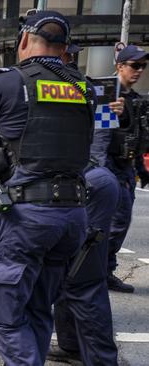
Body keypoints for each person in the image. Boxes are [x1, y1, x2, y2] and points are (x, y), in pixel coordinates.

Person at [0, 10, 95, 364]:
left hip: (27, 216)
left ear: (25, 40)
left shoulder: (5, 83)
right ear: (64, 48)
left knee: (3, 312)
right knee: (38, 307)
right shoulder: (84, 88)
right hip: (73, 215)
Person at [46, 44, 126, 366]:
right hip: (88, 180)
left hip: (87, 182)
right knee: (68, 270)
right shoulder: (85, 87)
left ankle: (101, 358)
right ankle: (70, 344)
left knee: (82, 277)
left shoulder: (72, 87)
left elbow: (104, 142)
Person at [90, 45, 148, 293]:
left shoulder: (134, 99)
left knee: (120, 223)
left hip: (126, 169)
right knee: (110, 224)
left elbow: (135, 136)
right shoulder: (107, 96)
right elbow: (100, 140)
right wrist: (103, 177)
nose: (140, 70)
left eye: (143, 66)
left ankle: (104, 271)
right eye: (134, 65)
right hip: (110, 169)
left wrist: (141, 172)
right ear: (119, 66)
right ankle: (96, 272)